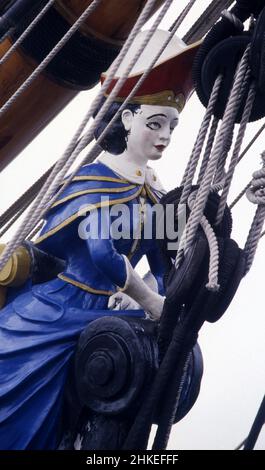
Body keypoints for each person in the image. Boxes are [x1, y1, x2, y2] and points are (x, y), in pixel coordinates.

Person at [0, 30, 202, 449]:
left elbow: (168, 268)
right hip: (54, 311)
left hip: (105, 314)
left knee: (172, 351)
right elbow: (100, 251)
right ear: (127, 118)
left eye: (171, 126)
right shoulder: (94, 182)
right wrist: (151, 303)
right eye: (155, 123)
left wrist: (154, 296)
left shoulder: (157, 195)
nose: (165, 136)